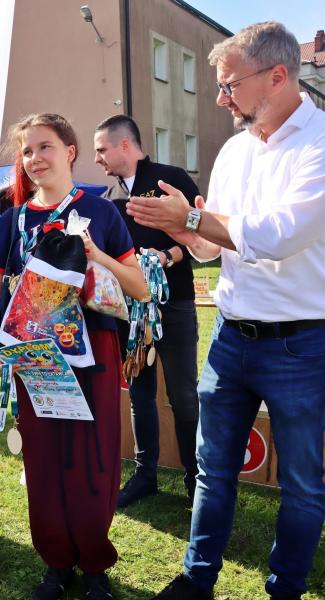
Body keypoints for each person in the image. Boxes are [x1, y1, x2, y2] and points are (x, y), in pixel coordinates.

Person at [125, 21, 325, 600]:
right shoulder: (235, 149)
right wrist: (188, 231)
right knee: (213, 469)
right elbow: (216, 246)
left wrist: (192, 219)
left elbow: (278, 235)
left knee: (302, 484)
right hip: (231, 336)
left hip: (301, 343)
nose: (220, 99)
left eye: (230, 85)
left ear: (278, 76)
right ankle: (197, 579)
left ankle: (285, 588)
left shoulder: (319, 145)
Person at [0, 114, 148, 599]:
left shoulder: (102, 212)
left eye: (44, 146)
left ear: (70, 151)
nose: (34, 158)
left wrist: (97, 256)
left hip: (95, 352)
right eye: (27, 151)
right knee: (45, 462)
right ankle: (57, 563)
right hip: (36, 356)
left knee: (94, 462)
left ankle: (94, 565)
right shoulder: (12, 221)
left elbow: (138, 287)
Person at [93, 114, 201, 506]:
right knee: (139, 392)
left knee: (184, 394)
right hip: (130, 311)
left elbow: (202, 234)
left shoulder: (170, 179)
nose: (97, 158)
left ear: (125, 145)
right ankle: (145, 475)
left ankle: (196, 479)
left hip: (174, 305)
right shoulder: (109, 199)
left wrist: (166, 257)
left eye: (101, 149)